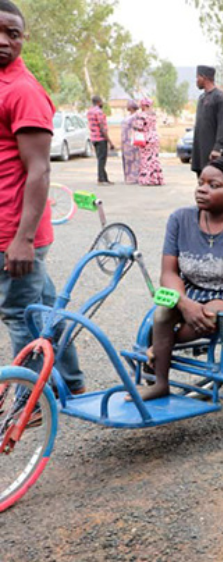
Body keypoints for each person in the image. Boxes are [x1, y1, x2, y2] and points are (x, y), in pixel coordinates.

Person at [137, 157, 223, 401]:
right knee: (162, 313)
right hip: (191, 290)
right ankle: (160, 383)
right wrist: (184, 303)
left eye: (214, 185)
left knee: (212, 314)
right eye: (201, 182)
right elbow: (168, 273)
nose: (202, 189)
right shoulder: (180, 219)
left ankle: (158, 349)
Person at [0, 0, 84, 394]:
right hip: (10, 229)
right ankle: (72, 381)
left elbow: (40, 170)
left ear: (23, 39)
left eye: (13, 34)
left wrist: (24, 239)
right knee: (46, 309)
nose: (4, 41)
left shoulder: (23, 91)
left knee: (21, 314)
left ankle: (27, 402)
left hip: (16, 232)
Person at [191, 65, 223, 176]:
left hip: (213, 153)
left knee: (214, 182)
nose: (196, 81)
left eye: (198, 77)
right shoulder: (202, 98)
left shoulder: (220, 98)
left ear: (204, 77)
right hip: (200, 151)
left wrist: (218, 148)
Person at [133, 98, 164, 186]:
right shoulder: (153, 115)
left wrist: (134, 125)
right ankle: (156, 179)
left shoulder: (142, 115)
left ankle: (147, 179)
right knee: (154, 158)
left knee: (146, 159)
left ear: (143, 105)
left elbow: (139, 127)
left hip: (146, 138)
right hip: (154, 137)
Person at [86, 95, 114, 185]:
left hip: (94, 138)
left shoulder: (89, 111)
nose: (102, 103)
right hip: (100, 138)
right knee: (102, 159)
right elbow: (102, 127)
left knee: (100, 158)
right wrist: (109, 141)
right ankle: (101, 179)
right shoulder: (99, 112)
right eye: (101, 101)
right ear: (98, 102)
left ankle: (104, 178)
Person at [120, 99, 140, 184]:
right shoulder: (128, 116)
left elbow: (138, 127)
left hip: (132, 140)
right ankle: (128, 177)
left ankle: (134, 177)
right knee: (127, 159)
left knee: (134, 159)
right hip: (125, 141)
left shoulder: (136, 116)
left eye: (128, 105)